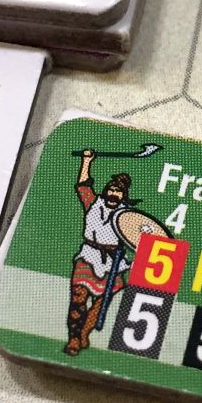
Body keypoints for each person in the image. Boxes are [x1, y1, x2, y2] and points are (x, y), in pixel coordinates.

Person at [63, 148, 134, 355]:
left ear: (123, 196)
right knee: (78, 297)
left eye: (118, 192)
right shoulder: (93, 203)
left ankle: (84, 333)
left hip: (113, 262)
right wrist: (87, 160)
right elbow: (83, 185)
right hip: (88, 255)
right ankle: (73, 338)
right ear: (106, 191)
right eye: (111, 190)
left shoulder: (126, 215)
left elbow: (137, 236)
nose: (113, 194)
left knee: (101, 304)